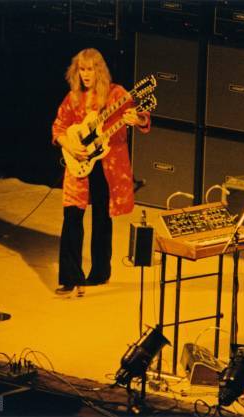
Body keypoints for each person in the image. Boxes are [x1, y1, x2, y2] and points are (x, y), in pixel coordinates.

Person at [51, 48, 150, 297]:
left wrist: (136, 119)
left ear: (99, 70)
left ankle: (100, 273)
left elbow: (142, 117)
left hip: (108, 165)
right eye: (81, 69)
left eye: (90, 69)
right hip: (80, 162)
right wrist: (69, 144)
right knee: (72, 217)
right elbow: (58, 127)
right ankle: (70, 277)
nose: (85, 74)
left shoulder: (117, 93)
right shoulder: (73, 97)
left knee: (102, 219)